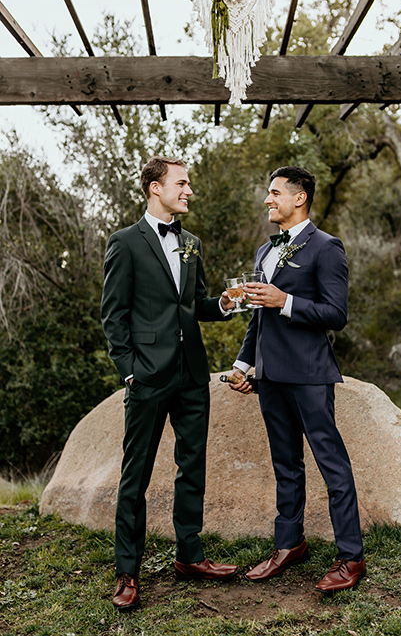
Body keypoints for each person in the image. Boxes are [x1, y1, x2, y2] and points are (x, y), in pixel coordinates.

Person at [101, 156, 238, 611]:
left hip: (192, 374)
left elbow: (194, 305)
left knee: (192, 465)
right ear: (155, 188)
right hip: (148, 375)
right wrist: (129, 370)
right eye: (182, 183)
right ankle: (127, 571)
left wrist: (226, 302)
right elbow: (113, 316)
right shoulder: (125, 243)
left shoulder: (192, 243)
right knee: (134, 475)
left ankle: (190, 557)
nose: (189, 190)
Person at [229, 165, 365, 594]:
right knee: (285, 465)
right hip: (269, 377)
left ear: (299, 197)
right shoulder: (263, 253)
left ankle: (350, 557)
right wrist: (244, 365)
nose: (268, 200)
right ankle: (289, 545)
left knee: (332, 465)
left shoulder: (327, 247)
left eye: (274, 193)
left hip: (309, 375)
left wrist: (286, 300)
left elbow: (336, 314)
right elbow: (258, 318)